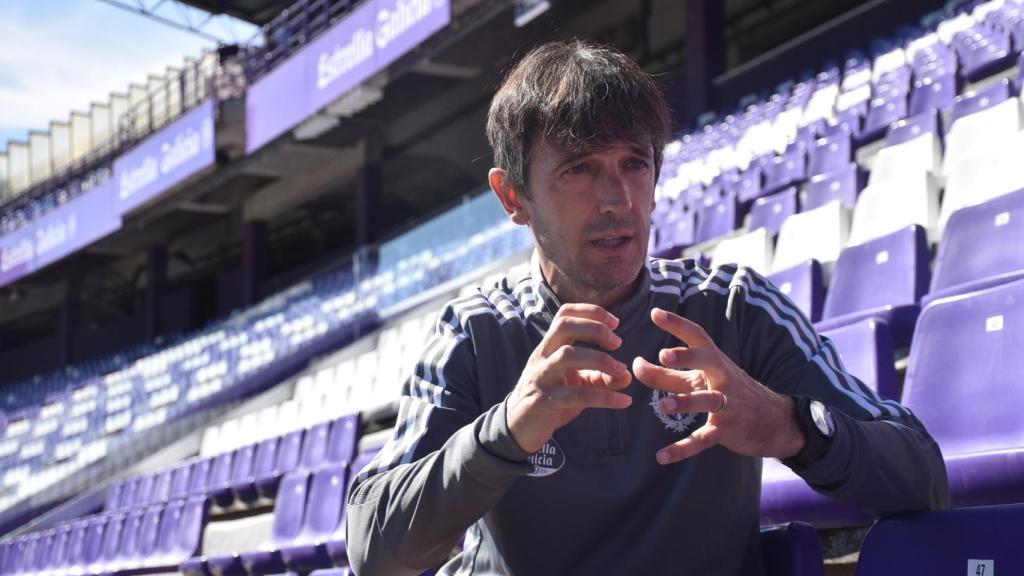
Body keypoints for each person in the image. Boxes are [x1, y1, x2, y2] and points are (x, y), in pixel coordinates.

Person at [346, 39, 949, 575]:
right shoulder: (476, 332)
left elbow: (924, 476)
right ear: (514, 196)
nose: (617, 200)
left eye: (634, 164)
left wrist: (789, 425)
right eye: (579, 169)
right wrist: (507, 431)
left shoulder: (733, 307)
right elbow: (372, 549)